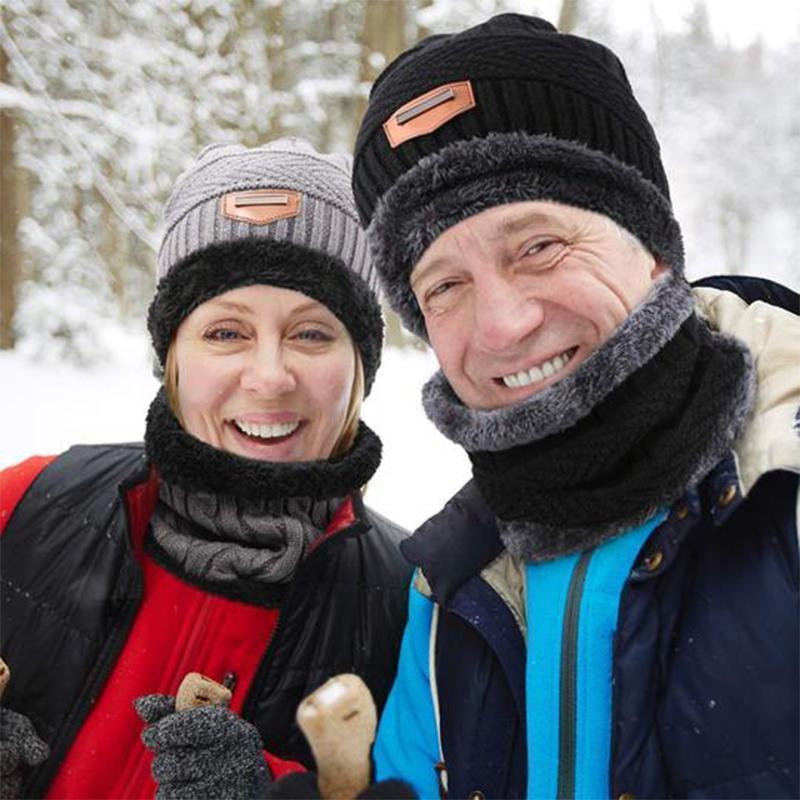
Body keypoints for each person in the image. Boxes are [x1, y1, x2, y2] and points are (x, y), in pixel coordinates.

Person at [348, 13, 800, 800]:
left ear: (653, 242)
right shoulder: (449, 587)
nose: (502, 326)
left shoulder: (783, 494)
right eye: (444, 287)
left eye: (538, 246)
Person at [0, 139, 413, 799]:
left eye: (312, 333)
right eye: (226, 332)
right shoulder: (26, 506)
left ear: (360, 363)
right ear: (174, 355)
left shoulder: (417, 606)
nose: (271, 377)